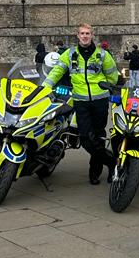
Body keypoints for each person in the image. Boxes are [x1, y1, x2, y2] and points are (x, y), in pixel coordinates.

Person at [44, 23, 119, 184]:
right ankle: (112, 162)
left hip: (100, 100)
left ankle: (95, 171)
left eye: (88, 33)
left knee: (98, 136)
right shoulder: (69, 54)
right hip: (81, 102)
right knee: (85, 138)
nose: (85, 36)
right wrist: (44, 87)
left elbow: (112, 76)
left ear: (92, 36)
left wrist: (107, 88)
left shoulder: (103, 55)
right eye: (82, 33)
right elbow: (57, 71)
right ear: (77, 36)